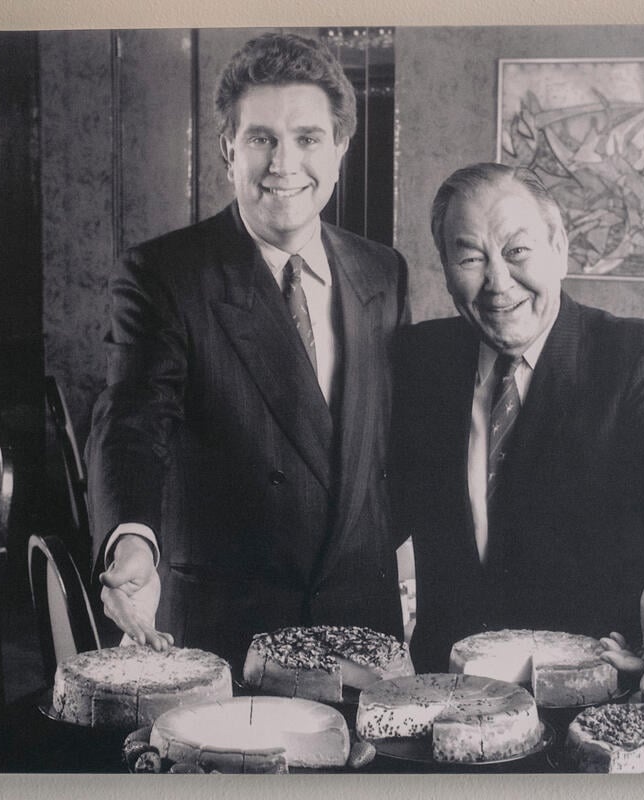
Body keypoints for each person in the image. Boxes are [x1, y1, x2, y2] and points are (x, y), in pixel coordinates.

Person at [86, 33, 409, 667]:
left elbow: (386, 446)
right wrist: (132, 542)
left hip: (362, 623)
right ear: (228, 149)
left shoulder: (383, 272)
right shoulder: (163, 274)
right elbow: (131, 423)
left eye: (308, 138)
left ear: (340, 149)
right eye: (261, 138)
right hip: (229, 625)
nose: (284, 165)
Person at [391, 163, 644, 691]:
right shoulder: (417, 359)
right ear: (444, 267)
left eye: (517, 251)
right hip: (444, 693)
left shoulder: (634, 355)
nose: (498, 282)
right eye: (471, 257)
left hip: (586, 692)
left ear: (560, 250)